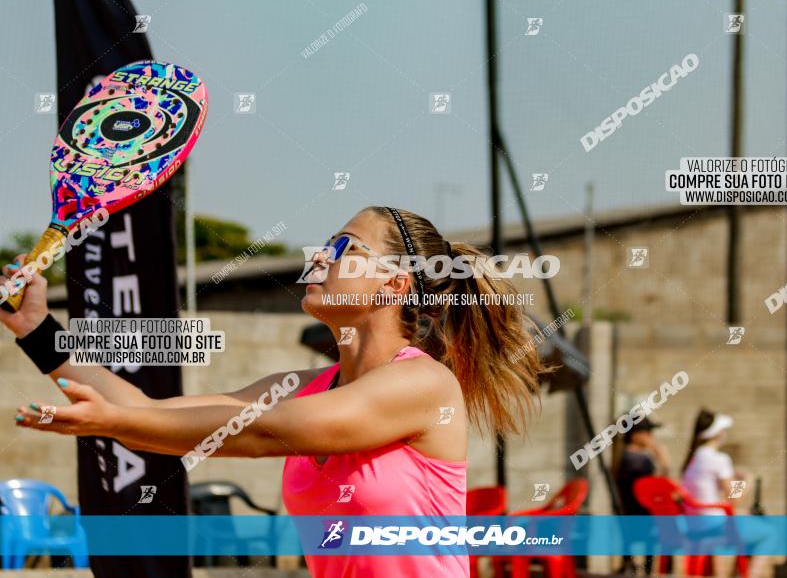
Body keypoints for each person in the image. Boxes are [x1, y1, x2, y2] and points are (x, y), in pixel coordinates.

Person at [1, 206, 548, 577]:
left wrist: (114, 425)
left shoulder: (423, 383)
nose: (321, 256)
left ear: (395, 282)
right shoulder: (308, 386)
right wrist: (37, 331)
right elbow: (147, 411)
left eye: (344, 246)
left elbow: (260, 431)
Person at [681, 409, 774, 577]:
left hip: (694, 526)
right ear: (717, 433)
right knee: (770, 533)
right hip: (716, 526)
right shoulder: (719, 459)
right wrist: (747, 482)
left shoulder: (692, 460)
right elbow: (733, 498)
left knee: (747, 525)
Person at [614, 417, 670, 575]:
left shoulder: (625, 457)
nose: (651, 436)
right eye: (647, 432)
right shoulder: (637, 460)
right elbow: (658, 486)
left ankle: (632, 566)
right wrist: (663, 460)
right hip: (642, 515)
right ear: (635, 435)